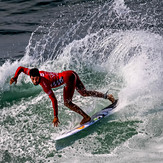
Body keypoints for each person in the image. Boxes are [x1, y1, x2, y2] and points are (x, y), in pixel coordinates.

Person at [10, 66, 115, 127]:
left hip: (68, 79)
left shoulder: (45, 84)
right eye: (32, 79)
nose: (35, 81)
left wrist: (55, 116)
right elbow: (21, 68)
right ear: (31, 76)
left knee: (67, 103)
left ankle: (86, 117)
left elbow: (54, 100)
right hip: (71, 73)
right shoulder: (32, 72)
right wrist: (15, 77)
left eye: (36, 79)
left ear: (38, 76)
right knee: (84, 93)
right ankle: (108, 96)